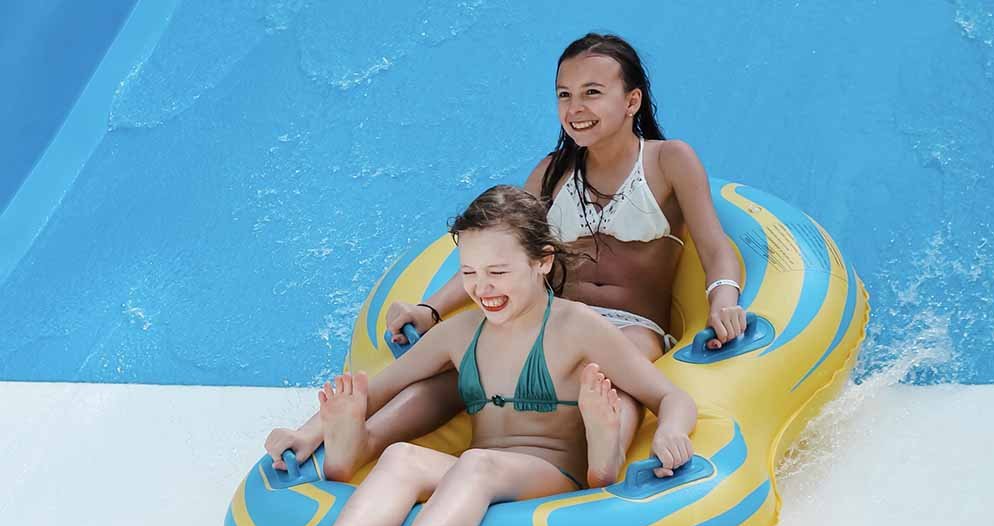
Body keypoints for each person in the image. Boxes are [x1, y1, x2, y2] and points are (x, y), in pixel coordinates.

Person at [265, 32, 743, 482]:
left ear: (631, 100)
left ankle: (607, 456)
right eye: (564, 95)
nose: (575, 108)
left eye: (592, 93)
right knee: (459, 373)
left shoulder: (668, 161)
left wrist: (723, 301)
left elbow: (715, 248)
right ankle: (353, 440)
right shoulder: (552, 172)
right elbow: (505, 251)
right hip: (549, 320)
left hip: (629, 325)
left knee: (609, 380)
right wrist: (430, 308)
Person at [260, 185, 697, 526]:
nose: (481, 287)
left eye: (497, 272)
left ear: (542, 261)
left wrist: (671, 431)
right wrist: (306, 433)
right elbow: (380, 388)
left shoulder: (577, 327)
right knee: (400, 458)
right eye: (469, 272)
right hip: (483, 469)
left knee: (477, 464)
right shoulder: (462, 332)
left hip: (552, 475)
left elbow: (668, 395)